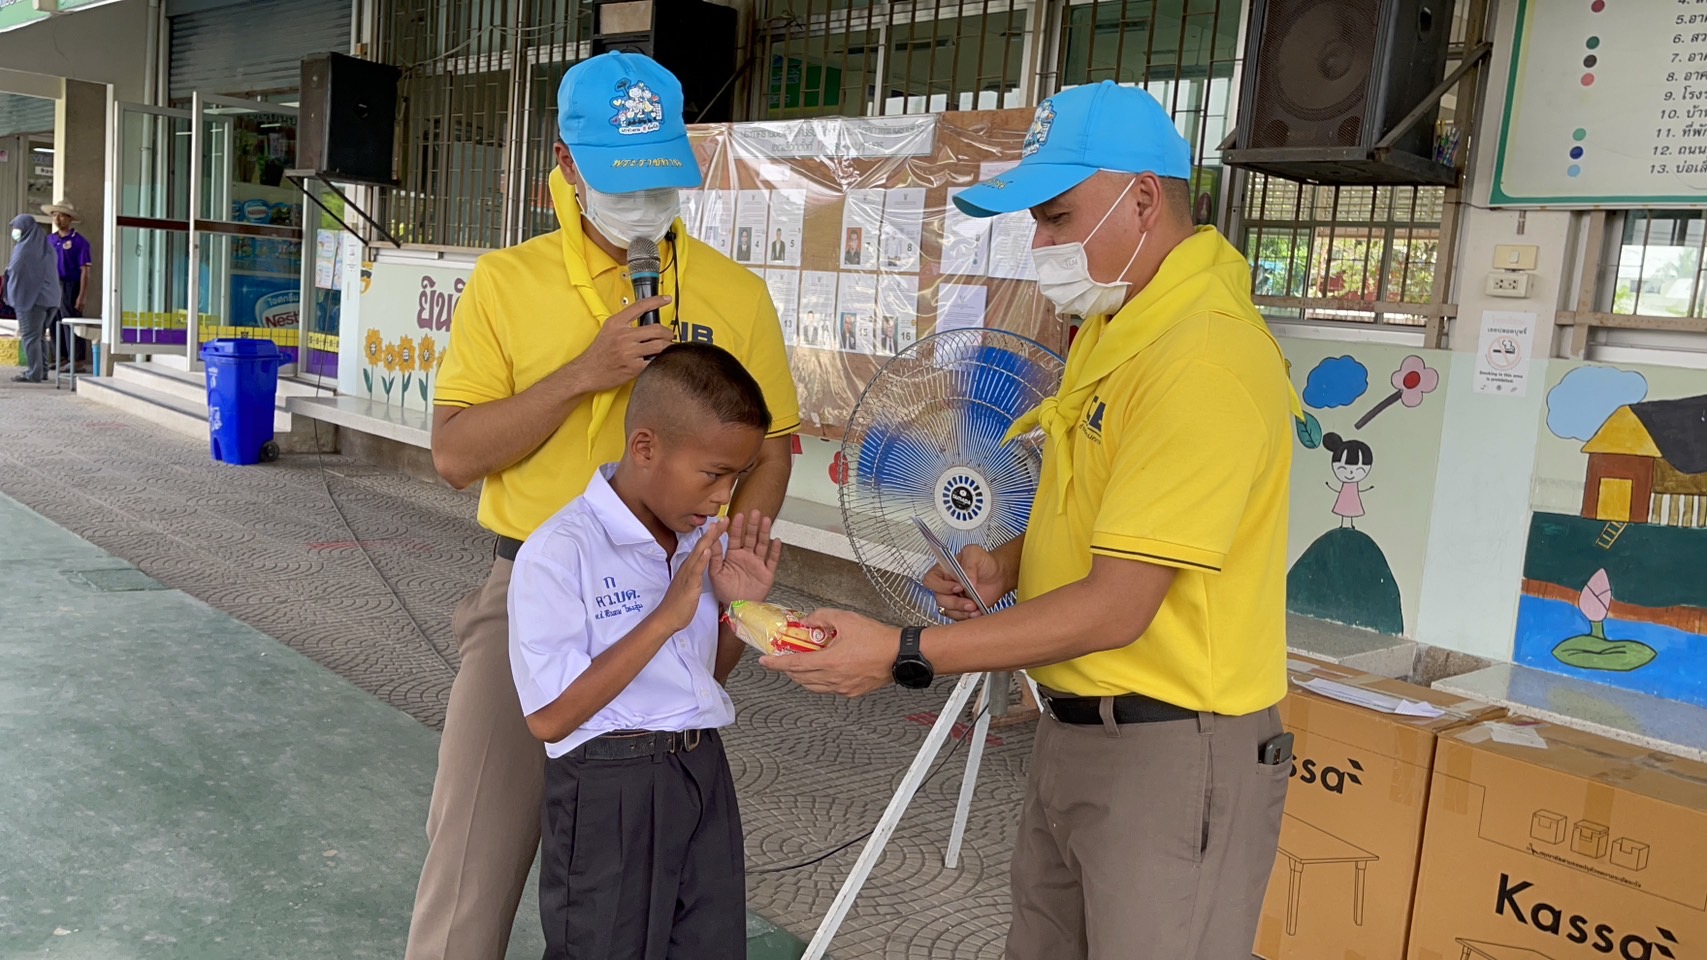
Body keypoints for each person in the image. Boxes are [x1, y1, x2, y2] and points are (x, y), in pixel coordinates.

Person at [766, 81, 1304, 960]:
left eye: (1057, 218)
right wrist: (1008, 562)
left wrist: (903, 652)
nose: (1042, 245)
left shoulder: (1200, 357)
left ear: (1141, 199)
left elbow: (1117, 605)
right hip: (1074, 727)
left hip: (1172, 750)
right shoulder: (1117, 328)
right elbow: (1106, 511)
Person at [414, 50, 798, 960]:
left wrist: (730, 573)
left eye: (660, 177)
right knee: (473, 863)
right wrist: (583, 373)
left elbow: (773, 446)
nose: (645, 202)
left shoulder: (735, 294)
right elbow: (454, 457)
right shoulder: (508, 282)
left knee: (654, 879)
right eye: (623, 181)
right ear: (565, 162)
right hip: (535, 592)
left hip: (681, 595)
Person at [511, 342, 782, 959]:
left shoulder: (699, 541)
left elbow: (703, 677)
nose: (723, 498)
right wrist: (663, 620)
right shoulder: (561, 552)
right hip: (610, 786)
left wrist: (739, 611)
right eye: (713, 474)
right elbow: (549, 717)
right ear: (645, 448)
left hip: (699, 767)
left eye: (737, 478)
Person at [8, 214, 59, 384]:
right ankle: (41, 370)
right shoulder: (47, 248)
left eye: (17, 228)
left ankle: (34, 373)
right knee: (40, 336)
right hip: (51, 299)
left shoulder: (24, 249)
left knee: (30, 336)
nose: (15, 232)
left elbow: (15, 271)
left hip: (31, 299)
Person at [43, 200, 91, 371]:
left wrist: (82, 296)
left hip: (70, 285)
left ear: (70, 218)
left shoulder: (79, 241)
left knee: (70, 319)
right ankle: (61, 357)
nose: (58, 219)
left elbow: (85, 270)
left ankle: (77, 359)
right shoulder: (49, 240)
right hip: (52, 284)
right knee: (54, 320)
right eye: (55, 215)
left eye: (62, 215)